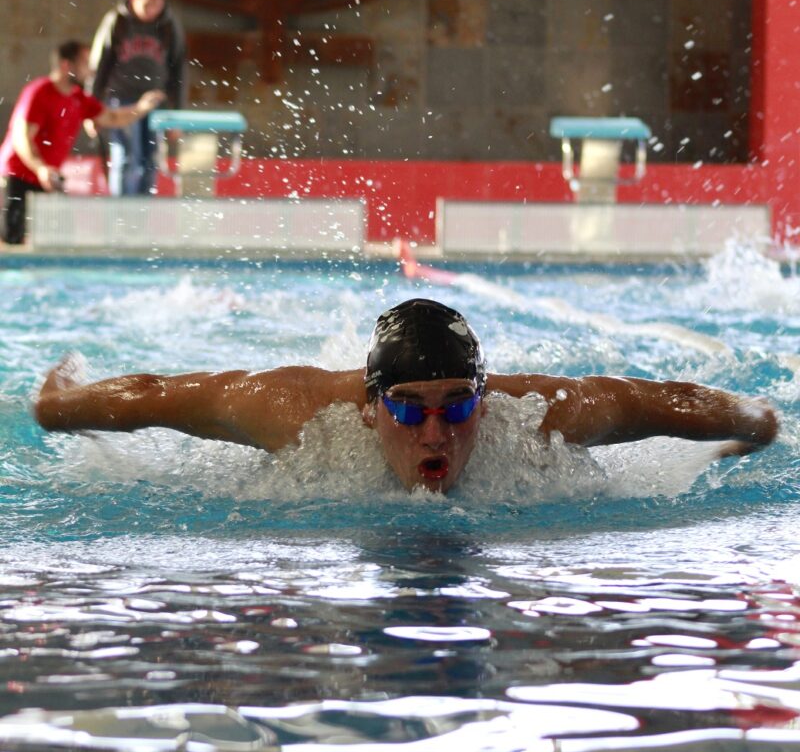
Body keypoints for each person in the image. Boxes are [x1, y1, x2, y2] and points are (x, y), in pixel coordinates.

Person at [34, 298, 778, 495]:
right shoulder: (299, 412)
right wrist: (60, 405)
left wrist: (755, 419)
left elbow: (651, 400)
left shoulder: (536, 415)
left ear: (483, 404)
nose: (435, 433)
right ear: (369, 405)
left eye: (457, 407)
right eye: (408, 408)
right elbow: (163, 394)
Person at [0, 40, 165, 246]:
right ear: (66, 66)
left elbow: (112, 118)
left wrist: (141, 107)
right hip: (18, 174)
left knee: (56, 241)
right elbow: (22, 137)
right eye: (85, 63)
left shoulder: (79, 99)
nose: (91, 69)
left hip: (47, 177)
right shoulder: (39, 92)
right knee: (11, 241)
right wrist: (40, 168)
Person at [87, 0, 185, 196]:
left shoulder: (170, 26)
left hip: (155, 100)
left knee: (150, 159)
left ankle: (139, 217)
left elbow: (179, 70)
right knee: (127, 156)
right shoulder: (117, 21)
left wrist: (177, 114)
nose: (151, 11)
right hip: (121, 98)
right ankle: (121, 217)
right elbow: (99, 65)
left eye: (157, 5)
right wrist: (91, 108)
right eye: (147, 5)